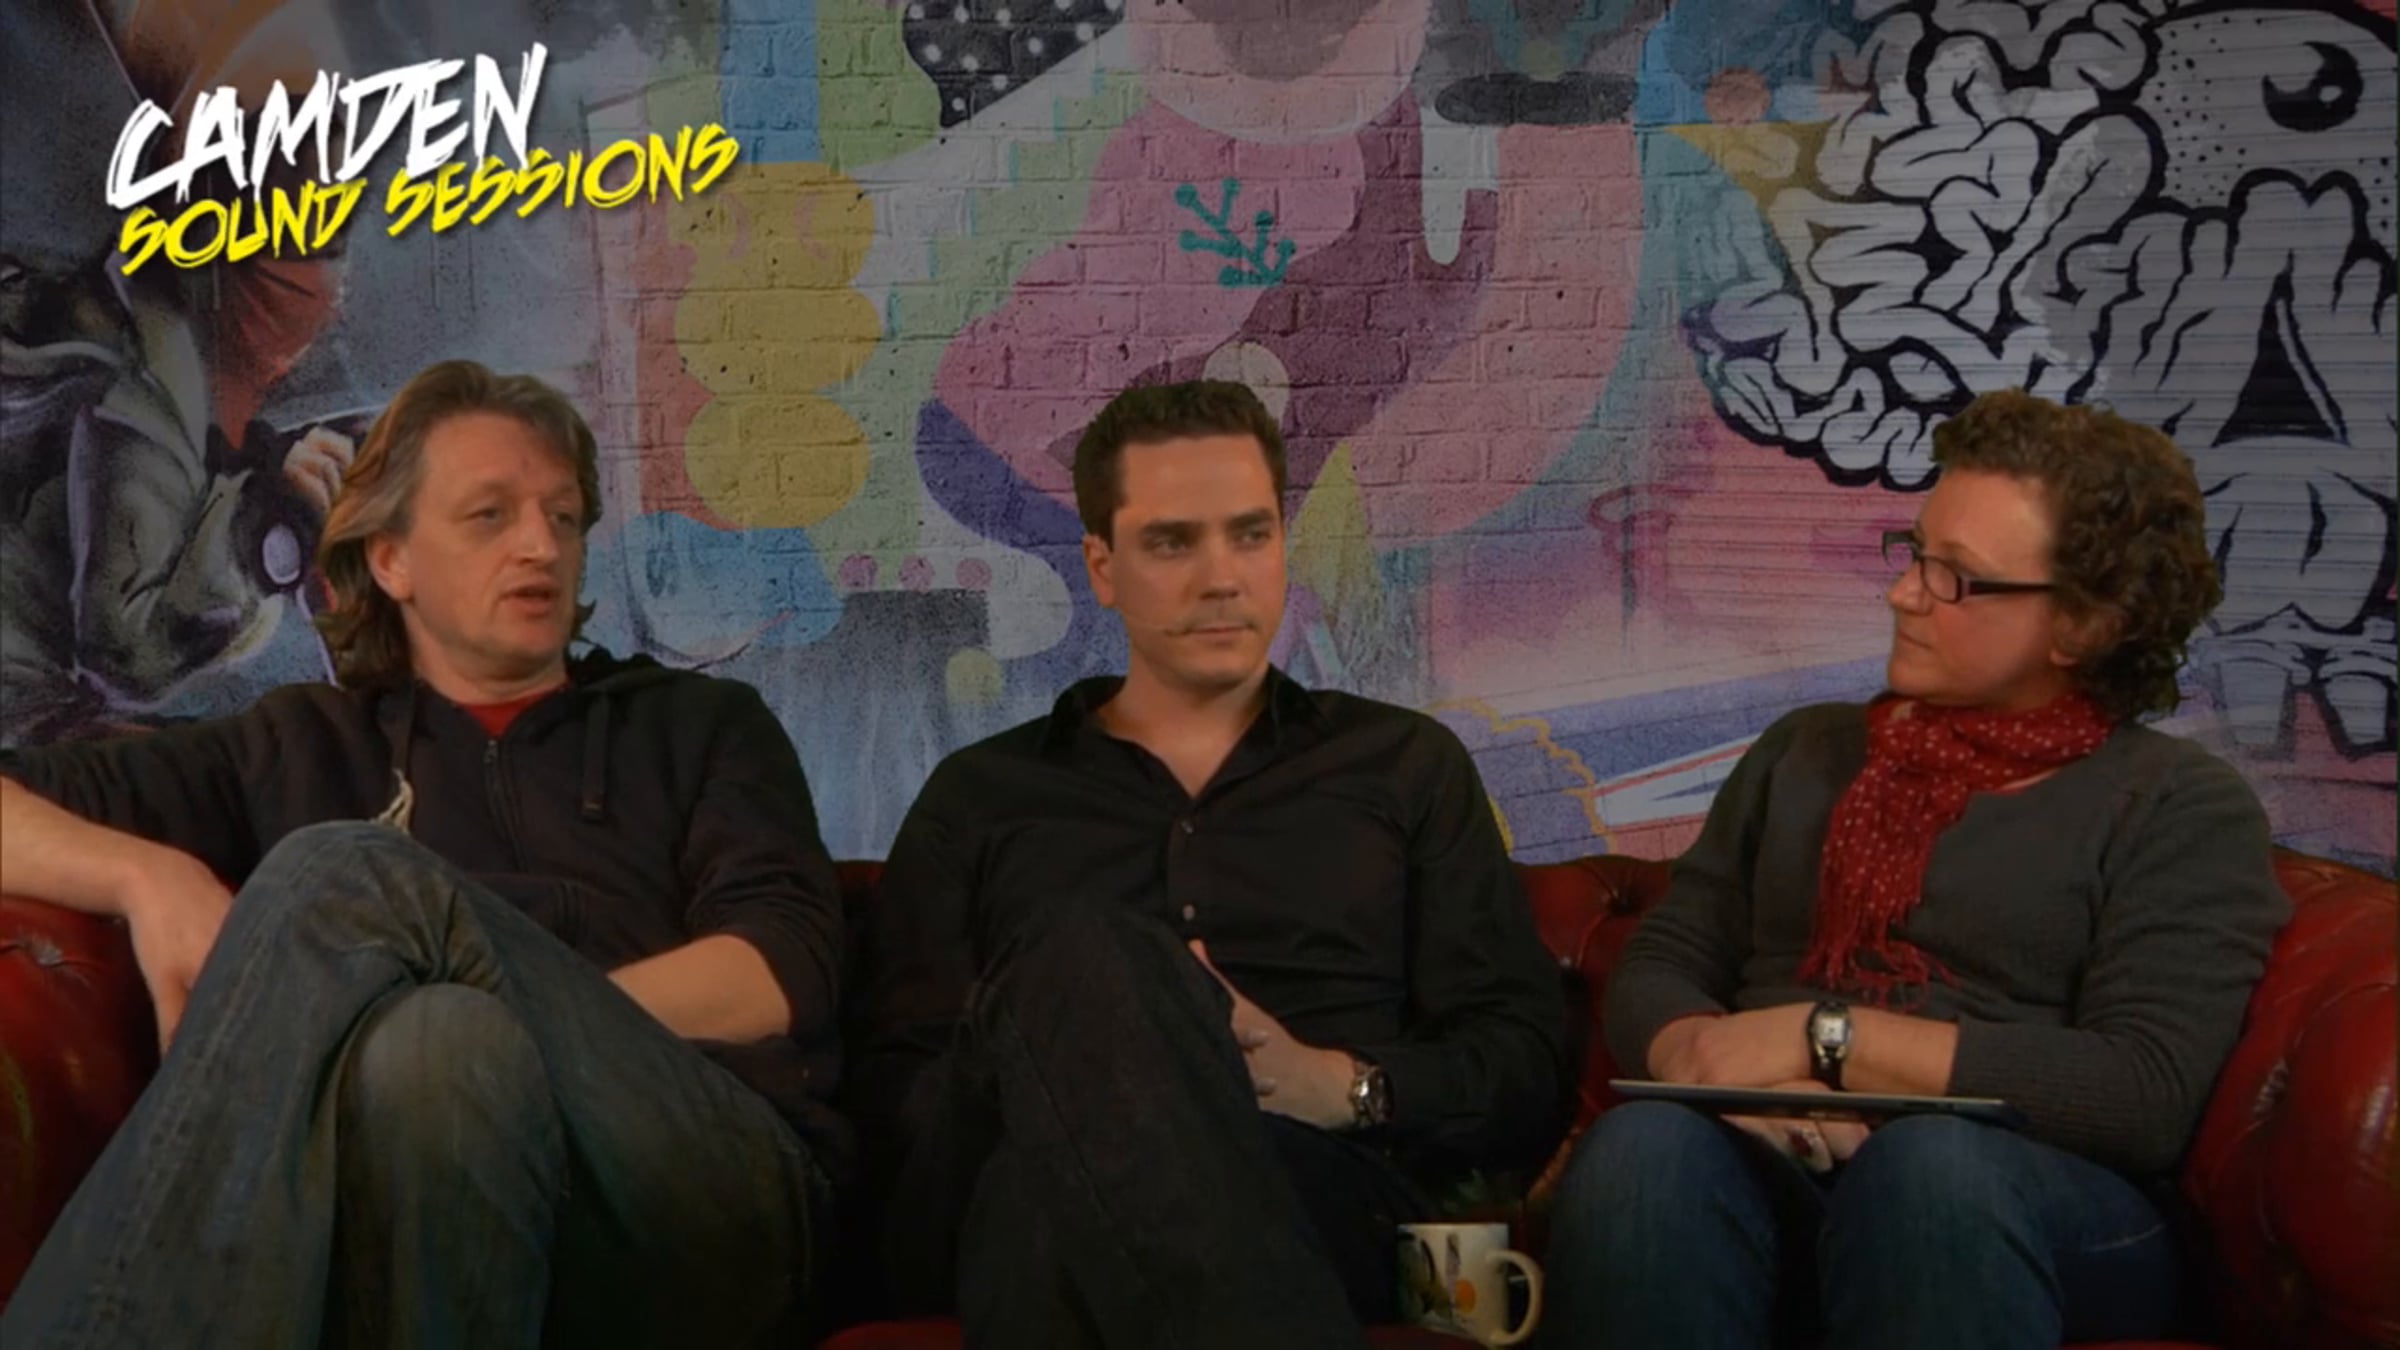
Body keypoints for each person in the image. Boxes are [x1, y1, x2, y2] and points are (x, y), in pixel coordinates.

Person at [0, 360, 843, 1349]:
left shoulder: (701, 724)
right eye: (490, 516)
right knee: (437, 1047)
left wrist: (528, 1006)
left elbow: (782, 967)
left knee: (347, 876)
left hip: (702, 1191)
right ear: (391, 560)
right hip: (429, 1187)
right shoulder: (293, 743)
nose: (540, 545)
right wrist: (145, 873)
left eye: (562, 517)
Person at [1534, 390, 2293, 1349]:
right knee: (1645, 1148)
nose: (1904, 595)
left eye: (1956, 578)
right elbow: (1669, 953)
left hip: (2031, 1196)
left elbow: (2141, 1091)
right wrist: (1704, 1061)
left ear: (2085, 625)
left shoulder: (2175, 804)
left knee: (1930, 1170)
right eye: (1914, 553)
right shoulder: (1807, 752)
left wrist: (1826, 1041)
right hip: (1778, 1158)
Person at [849, 380, 1569, 1348]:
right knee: (1085, 962)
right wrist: (1102, 1054)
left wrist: (1345, 1085)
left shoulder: (1404, 767)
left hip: (1315, 1183)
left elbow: (1525, 1065)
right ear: (1102, 568)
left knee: (1038, 1215)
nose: (1221, 577)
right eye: (1172, 543)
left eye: (1250, 535)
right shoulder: (982, 795)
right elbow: (898, 1098)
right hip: (1002, 1171)